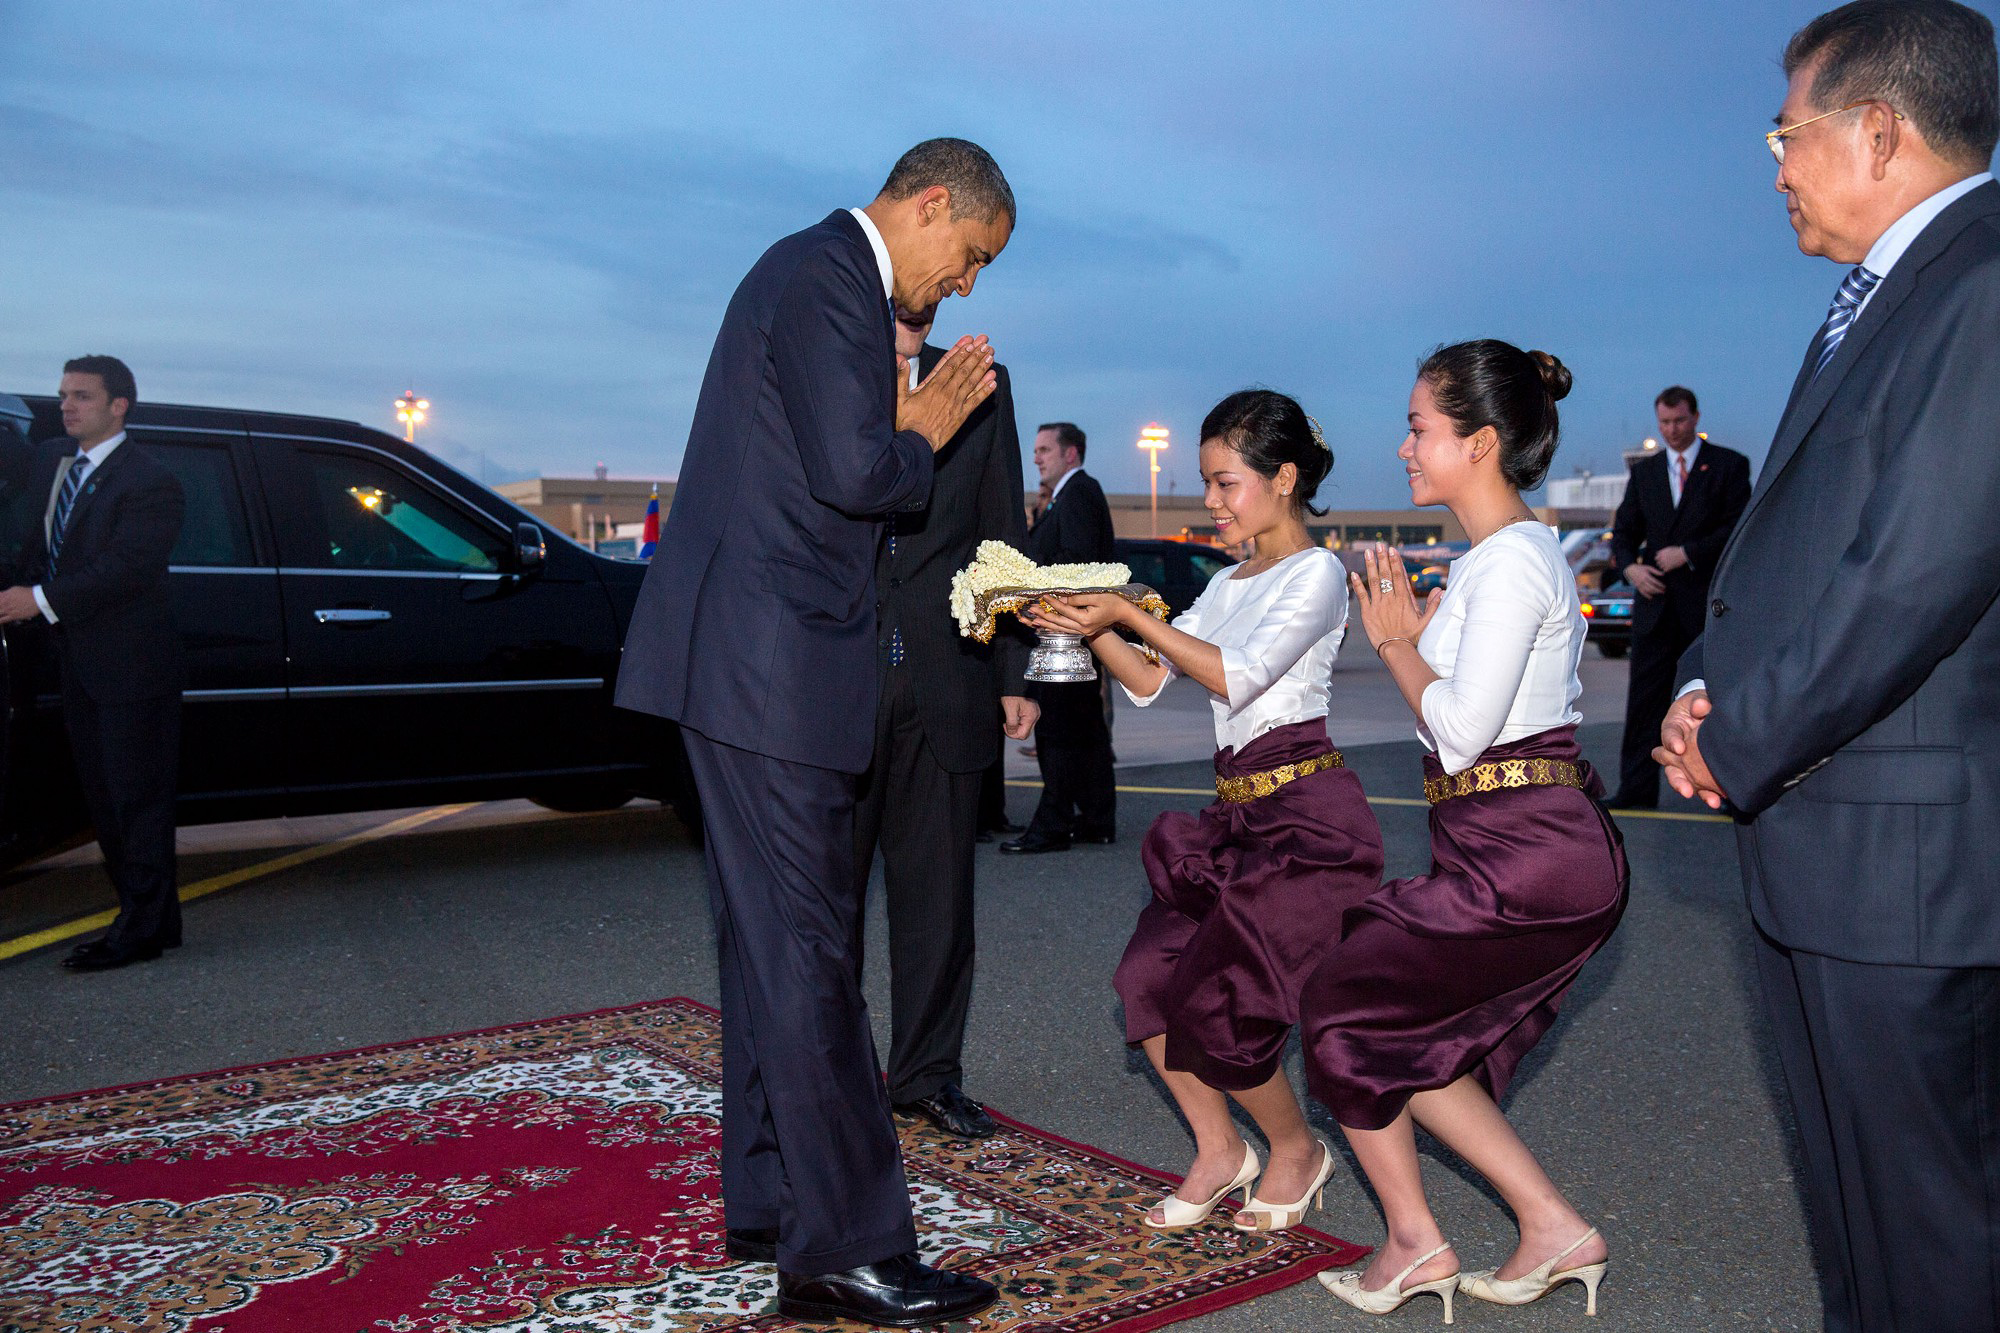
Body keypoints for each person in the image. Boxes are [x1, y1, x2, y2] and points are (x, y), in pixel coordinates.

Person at [614, 138, 1011, 1328]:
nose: (965, 286)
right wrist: (924, 425)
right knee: (810, 960)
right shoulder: (832, 273)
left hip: (743, 666)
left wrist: (895, 427)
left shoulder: (806, 269)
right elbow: (856, 472)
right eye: (970, 256)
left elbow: (814, 469)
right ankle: (848, 1248)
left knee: (763, 949)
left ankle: (773, 1203)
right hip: (768, 669)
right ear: (931, 204)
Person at [1655, 5, 2000, 1327]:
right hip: (1837, 856)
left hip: (1909, 875)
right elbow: (1798, 547)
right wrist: (1701, 679)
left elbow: (1916, 575)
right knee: (1864, 1226)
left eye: (1785, 133)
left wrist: (1737, 739)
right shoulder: (1882, 300)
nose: (1777, 164)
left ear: (1876, 129)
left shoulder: (1979, 283)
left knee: (1938, 1238)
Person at [1301, 341, 1626, 1321]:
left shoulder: (1513, 563)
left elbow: (1454, 728)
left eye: (1417, 427)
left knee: (1340, 1006)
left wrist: (1399, 641)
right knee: (1405, 1036)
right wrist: (1421, 637)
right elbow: (1457, 719)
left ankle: (1411, 1242)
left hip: (1525, 851)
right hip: (1503, 840)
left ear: (1477, 442)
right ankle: (1548, 1227)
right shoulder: (1497, 559)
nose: (1401, 446)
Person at [1027, 389, 1384, 1235]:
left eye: (1227, 483)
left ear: (1284, 477)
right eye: (1207, 483)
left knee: (1226, 1005)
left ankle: (1297, 1148)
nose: (1213, 502)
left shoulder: (1318, 573)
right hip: (1234, 815)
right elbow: (1153, 681)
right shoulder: (1228, 580)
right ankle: (1221, 1149)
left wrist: (1121, 607)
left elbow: (1241, 674)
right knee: (1145, 981)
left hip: (1306, 820)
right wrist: (1086, 625)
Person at [854, 301, 1037, 1141]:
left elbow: (1002, 534)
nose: (917, 313)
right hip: (834, 682)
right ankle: (835, 1079)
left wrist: (1012, 668)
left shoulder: (982, 390)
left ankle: (927, 1075)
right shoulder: (830, 378)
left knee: (939, 903)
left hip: (947, 677)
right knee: (824, 908)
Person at [0, 357, 186, 973]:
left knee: (137, 800)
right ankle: (153, 923)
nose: (67, 406)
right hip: (77, 663)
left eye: (81, 396)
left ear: (119, 405)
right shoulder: (59, 464)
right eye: (62, 396)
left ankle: (138, 930)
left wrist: (38, 601)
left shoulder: (149, 480)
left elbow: (129, 568)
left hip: (131, 666)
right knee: (106, 800)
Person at [1604, 387, 1750, 809]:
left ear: (1696, 417)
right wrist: (1630, 567)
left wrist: (1687, 552)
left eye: (1679, 421)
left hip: (1707, 606)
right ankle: (1636, 790)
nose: (1672, 430)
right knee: (1644, 701)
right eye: (1665, 423)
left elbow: (1738, 528)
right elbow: (1625, 532)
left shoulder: (1728, 466)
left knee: (1714, 701)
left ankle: (1728, 791)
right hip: (1655, 606)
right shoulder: (1645, 473)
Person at [1001, 422, 1117, 855]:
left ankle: (1053, 823)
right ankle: (1095, 818)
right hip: (1073, 637)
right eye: (1035, 450)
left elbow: (1076, 562)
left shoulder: (1078, 493)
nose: (1036, 458)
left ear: (1071, 454)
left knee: (1060, 733)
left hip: (1065, 639)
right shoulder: (1066, 498)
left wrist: (1028, 584)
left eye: (1045, 449)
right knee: (1084, 732)